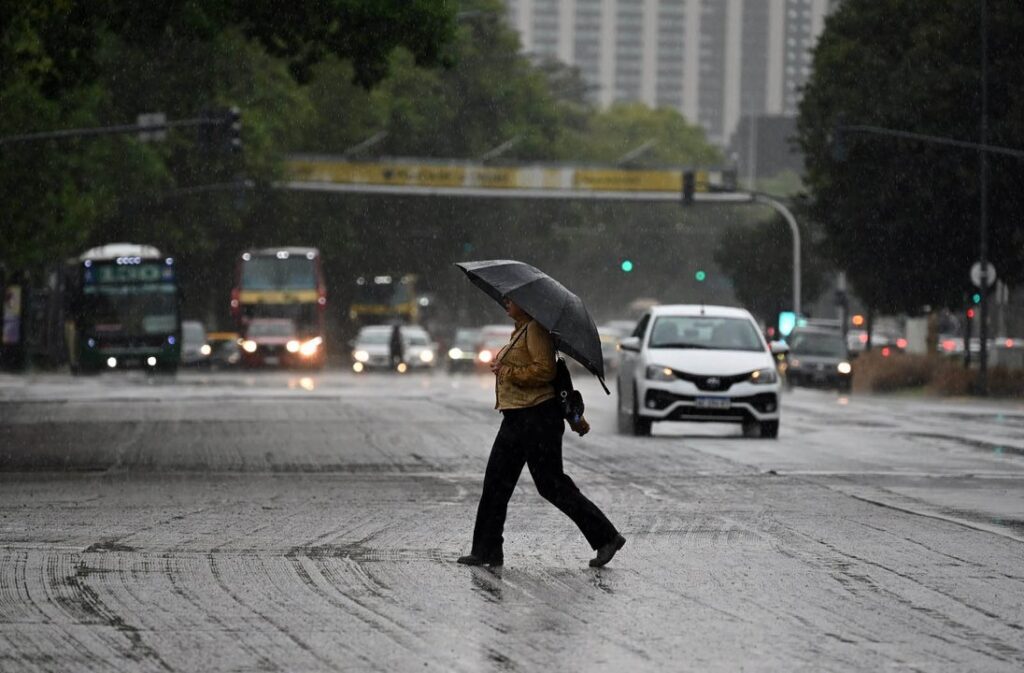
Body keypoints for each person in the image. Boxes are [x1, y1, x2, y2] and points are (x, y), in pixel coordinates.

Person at [458, 297, 626, 568]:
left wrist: (507, 371)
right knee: (496, 484)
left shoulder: (535, 329)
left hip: (537, 418)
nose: (506, 303)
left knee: (551, 484)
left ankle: (607, 537)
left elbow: (544, 371)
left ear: (527, 304)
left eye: (512, 300)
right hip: (517, 417)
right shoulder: (522, 329)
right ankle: (486, 550)